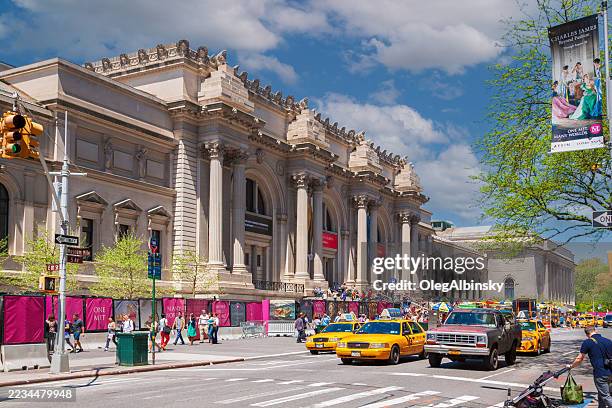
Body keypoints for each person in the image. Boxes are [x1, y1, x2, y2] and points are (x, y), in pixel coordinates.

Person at [567, 326, 612, 407]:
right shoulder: (608, 341)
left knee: (605, 396)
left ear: (587, 334)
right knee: (601, 392)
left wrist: (571, 366)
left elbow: (579, 359)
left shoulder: (587, 342)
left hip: (600, 373)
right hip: (610, 372)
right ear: (596, 330)